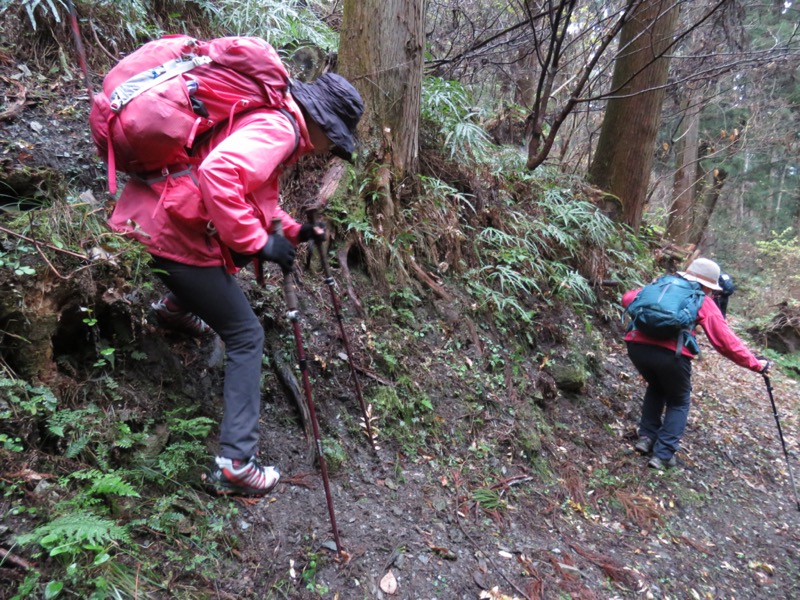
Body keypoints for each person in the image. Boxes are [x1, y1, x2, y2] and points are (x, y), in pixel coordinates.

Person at [108, 73, 364, 495]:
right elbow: (219, 175)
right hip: (173, 237)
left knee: (234, 252)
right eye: (332, 140)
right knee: (246, 335)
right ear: (321, 123)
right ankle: (236, 465)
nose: (327, 149)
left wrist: (295, 232)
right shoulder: (279, 129)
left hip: (156, 219)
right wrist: (260, 243)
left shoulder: (272, 117)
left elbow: (254, 197)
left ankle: (176, 308)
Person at [622, 258, 769, 470]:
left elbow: (627, 298)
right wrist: (756, 364)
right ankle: (663, 455)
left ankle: (646, 438)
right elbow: (725, 342)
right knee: (679, 400)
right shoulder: (700, 298)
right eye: (711, 289)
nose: (712, 293)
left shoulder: (661, 284)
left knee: (656, 386)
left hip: (636, 347)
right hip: (671, 356)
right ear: (706, 285)